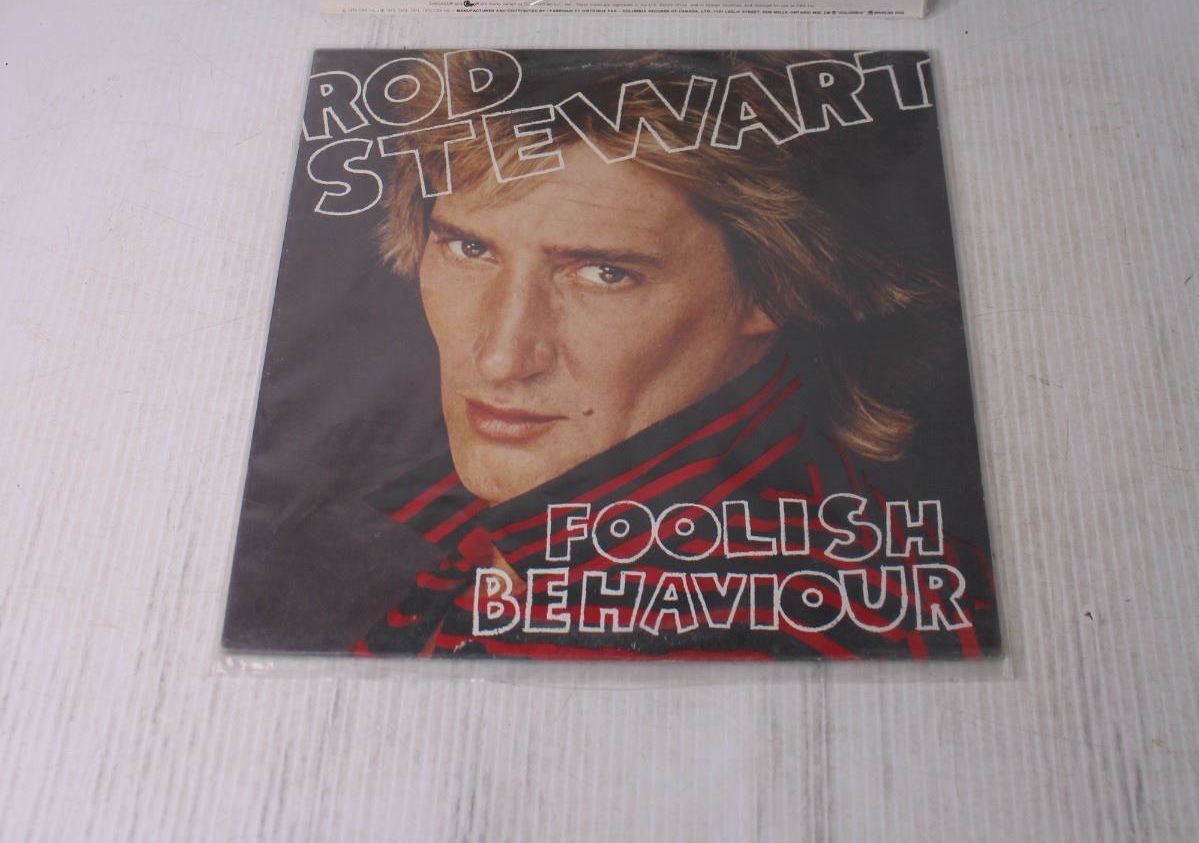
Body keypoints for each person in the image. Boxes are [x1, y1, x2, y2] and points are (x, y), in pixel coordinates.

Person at [352, 54, 997, 660]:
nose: (501, 358)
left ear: (776, 287)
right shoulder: (470, 540)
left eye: (604, 273)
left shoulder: (785, 633)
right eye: (470, 250)